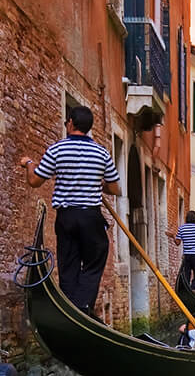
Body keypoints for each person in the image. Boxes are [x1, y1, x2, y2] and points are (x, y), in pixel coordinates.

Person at [19, 105, 122, 316]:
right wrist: (93, 183)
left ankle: (71, 308)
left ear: (71, 123)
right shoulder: (101, 153)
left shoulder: (57, 149)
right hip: (90, 216)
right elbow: (114, 188)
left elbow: (34, 181)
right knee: (96, 259)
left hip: (66, 218)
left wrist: (29, 163)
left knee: (69, 264)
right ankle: (82, 306)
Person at [166, 210, 195, 291]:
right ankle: (193, 289)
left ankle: (187, 290)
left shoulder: (181, 228)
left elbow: (177, 243)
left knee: (186, 275)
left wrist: (173, 236)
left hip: (186, 255)